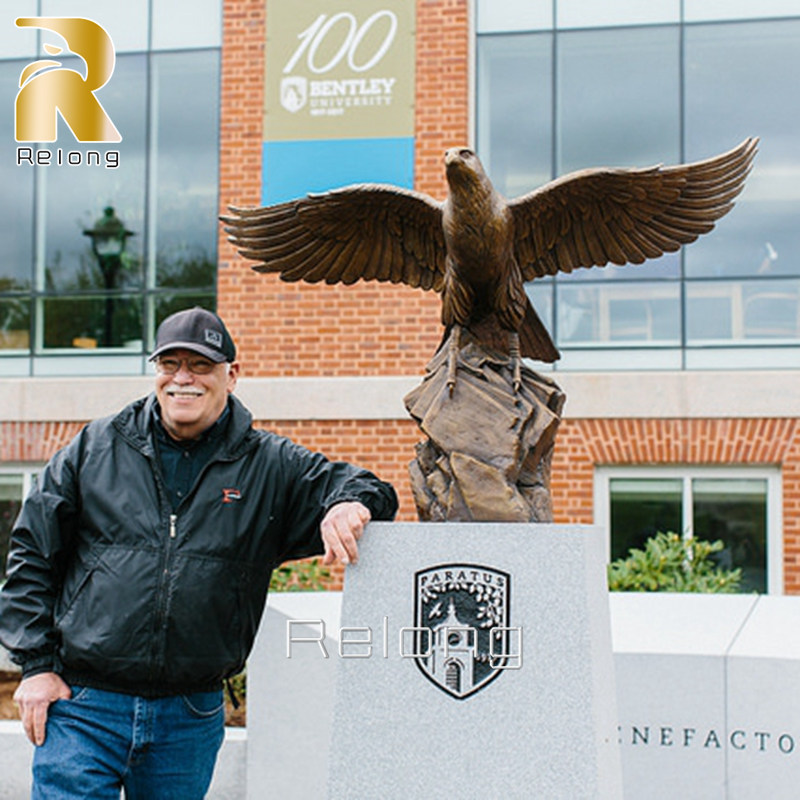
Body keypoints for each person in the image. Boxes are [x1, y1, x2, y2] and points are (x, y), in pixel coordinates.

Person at [0, 307, 398, 799]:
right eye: (170, 364)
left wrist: (349, 503)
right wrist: (36, 666)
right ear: (156, 372)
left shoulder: (269, 465)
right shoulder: (95, 449)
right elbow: (32, 555)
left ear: (232, 375)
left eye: (201, 365)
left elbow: (368, 486)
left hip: (188, 716)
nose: (182, 379)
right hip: (84, 704)